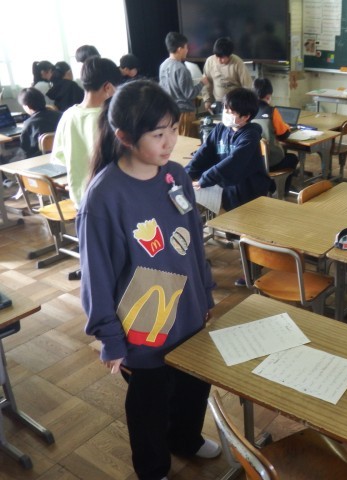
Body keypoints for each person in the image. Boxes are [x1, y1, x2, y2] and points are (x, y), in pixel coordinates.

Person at [78, 79, 220, 480]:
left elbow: (194, 240)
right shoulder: (104, 196)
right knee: (150, 403)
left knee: (193, 383)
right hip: (144, 321)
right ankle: (153, 468)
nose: (170, 141)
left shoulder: (175, 175)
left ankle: (186, 438)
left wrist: (205, 292)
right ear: (124, 136)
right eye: (158, 134)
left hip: (188, 308)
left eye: (173, 128)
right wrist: (109, 337)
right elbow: (96, 275)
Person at [51, 57, 122, 207]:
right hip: (110, 196)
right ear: (108, 87)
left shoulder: (68, 115)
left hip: (80, 197)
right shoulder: (109, 118)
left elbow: (59, 157)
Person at [185, 87, 270, 211]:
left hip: (249, 189)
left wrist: (205, 179)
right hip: (226, 185)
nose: (226, 113)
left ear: (246, 116)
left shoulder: (250, 135)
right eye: (225, 108)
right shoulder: (221, 128)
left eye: (231, 112)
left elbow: (233, 162)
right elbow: (204, 153)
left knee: (240, 220)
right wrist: (186, 175)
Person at [252, 78, 299, 192]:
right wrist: (287, 127)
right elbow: (283, 135)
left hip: (253, 160)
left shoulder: (247, 111)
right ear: (268, 96)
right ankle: (282, 190)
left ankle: (270, 185)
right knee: (292, 158)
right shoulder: (271, 111)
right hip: (271, 161)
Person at [159, 32, 208, 136]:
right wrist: (202, 83)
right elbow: (190, 94)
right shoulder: (181, 69)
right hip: (184, 113)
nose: (187, 50)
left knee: (176, 142)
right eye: (186, 47)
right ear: (179, 49)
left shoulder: (163, 65)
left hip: (169, 112)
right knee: (190, 142)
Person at [202, 37, 253, 113]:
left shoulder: (237, 63)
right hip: (219, 102)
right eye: (217, 56)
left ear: (229, 55)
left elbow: (247, 85)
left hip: (235, 104)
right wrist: (207, 100)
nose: (219, 60)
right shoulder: (210, 61)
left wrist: (245, 104)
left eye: (222, 58)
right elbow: (206, 83)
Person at [17, 87, 62, 158]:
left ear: (27, 106)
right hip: (63, 155)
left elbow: (26, 150)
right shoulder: (61, 115)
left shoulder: (29, 124)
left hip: (40, 159)